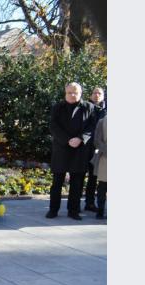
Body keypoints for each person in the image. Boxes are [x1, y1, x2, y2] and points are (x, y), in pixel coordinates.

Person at [46, 82, 97, 220]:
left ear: (81, 93)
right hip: (61, 148)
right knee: (57, 182)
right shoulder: (58, 107)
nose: (73, 95)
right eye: (70, 92)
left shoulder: (89, 107)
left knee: (77, 183)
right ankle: (53, 210)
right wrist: (68, 140)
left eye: (76, 92)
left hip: (80, 149)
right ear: (65, 93)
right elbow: (53, 126)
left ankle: (73, 211)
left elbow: (92, 126)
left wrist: (80, 138)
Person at [84, 86, 106, 213]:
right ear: (91, 95)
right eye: (94, 93)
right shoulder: (86, 108)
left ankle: (90, 203)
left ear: (103, 96)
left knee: (94, 177)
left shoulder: (106, 111)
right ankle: (78, 203)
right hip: (85, 147)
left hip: (99, 149)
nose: (97, 95)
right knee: (81, 176)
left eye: (99, 93)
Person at [93, 115, 107, 219]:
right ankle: (100, 211)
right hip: (105, 158)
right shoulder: (102, 121)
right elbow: (97, 140)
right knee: (102, 186)